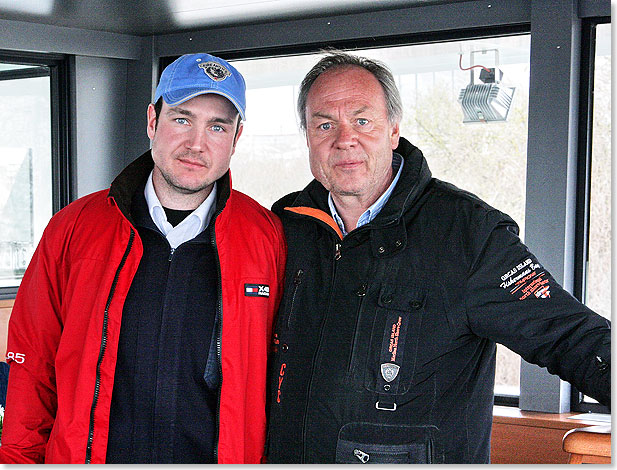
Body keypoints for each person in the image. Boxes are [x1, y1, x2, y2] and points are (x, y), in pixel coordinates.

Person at [266, 51, 610, 464]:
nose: (344, 139)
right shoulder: (284, 226)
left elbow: (571, 337)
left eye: (361, 120)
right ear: (307, 136)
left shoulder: (468, 233)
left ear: (393, 129)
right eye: (324, 125)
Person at [0, 53, 286, 464]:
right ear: (152, 121)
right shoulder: (73, 229)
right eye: (182, 119)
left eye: (217, 126)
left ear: (236, 139)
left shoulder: (266, 237)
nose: (196, 144)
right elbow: (32, 369)